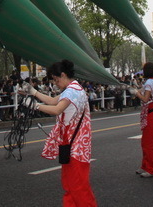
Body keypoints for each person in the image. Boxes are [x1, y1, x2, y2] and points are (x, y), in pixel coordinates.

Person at [24, 60, 96, 206]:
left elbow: (56, 109)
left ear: (63, 75)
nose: (55, 83)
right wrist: (34, 92)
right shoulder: (74, 89)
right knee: (71, 186)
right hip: (73, 145)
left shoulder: (72, 91)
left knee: (77, 188)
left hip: (75, 147)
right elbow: (52, 101)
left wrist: (35, 105)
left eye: (56, 80)